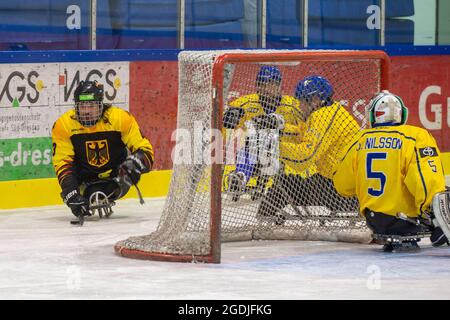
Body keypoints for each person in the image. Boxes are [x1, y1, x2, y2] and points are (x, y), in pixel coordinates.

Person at [332, 90, 449, 251]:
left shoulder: (358, 140)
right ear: (402, 114)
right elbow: (427, 182)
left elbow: (342, 186)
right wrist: (436, 217)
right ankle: (441, 227)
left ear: (374, 115)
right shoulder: (415, 136)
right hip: (406, 221)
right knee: (443, 192)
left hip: (374, 221)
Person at [256, 75, 361, 224]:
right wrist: (278, 127)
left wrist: (275, 147)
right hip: (342, 185)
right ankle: (265, 219)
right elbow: (303, 132)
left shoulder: (322, 116)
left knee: (287, 183)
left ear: (315, 101)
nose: (299, 107)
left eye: (302, 102)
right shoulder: (330, 111)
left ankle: (264, 224)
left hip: (344, 193)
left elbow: (303, 158)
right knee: (289, 183)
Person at [51, 80, 154, 220]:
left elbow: (145, 149)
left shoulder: (120, 119)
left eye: (92, 105)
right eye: (82, 106)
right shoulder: (63, 125)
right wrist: (71, 193)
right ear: (76, 106)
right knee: (79, 185)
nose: (87, 111)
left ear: (101, 105)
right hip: (83, 182)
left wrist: (136, 163)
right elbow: (63, 163)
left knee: (131, 166)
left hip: (117, 179)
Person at [222, 65, 311, 210]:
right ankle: (241, 176)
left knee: (268, 133)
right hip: (255, 156)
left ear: (279, 85)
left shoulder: (293, 106)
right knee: (252, 134)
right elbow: (227, 120)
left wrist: (281, 129)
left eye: (273, 84)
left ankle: (245, 176)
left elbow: (306, 131)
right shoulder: (245, 103)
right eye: (264, 84)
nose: (269, 88)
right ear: (257, 86)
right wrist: (230, 117)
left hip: (285, 155)